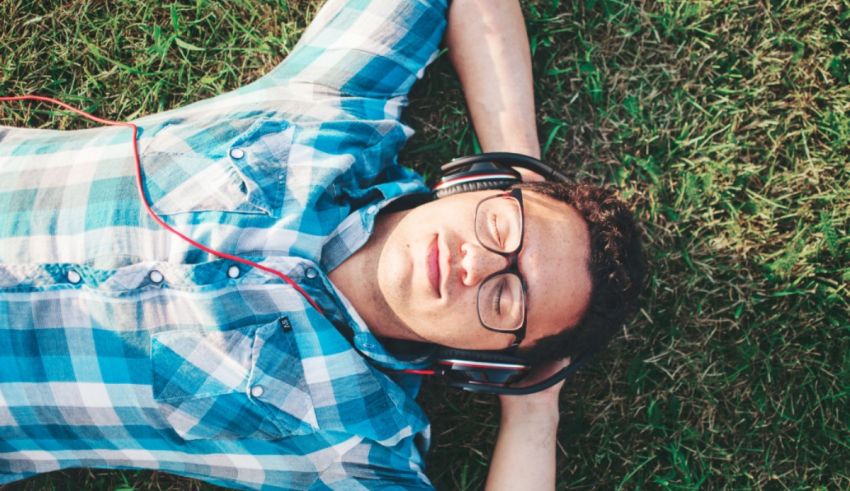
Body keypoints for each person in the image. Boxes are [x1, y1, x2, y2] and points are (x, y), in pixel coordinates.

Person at [0, 0, 643, 489]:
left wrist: (533, 411)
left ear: (486, 367)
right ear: (475, 182)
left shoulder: (359, 446)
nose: (475, 264)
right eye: (501, 229)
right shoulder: (333, 114)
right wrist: (521, 168)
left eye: (505, 300)